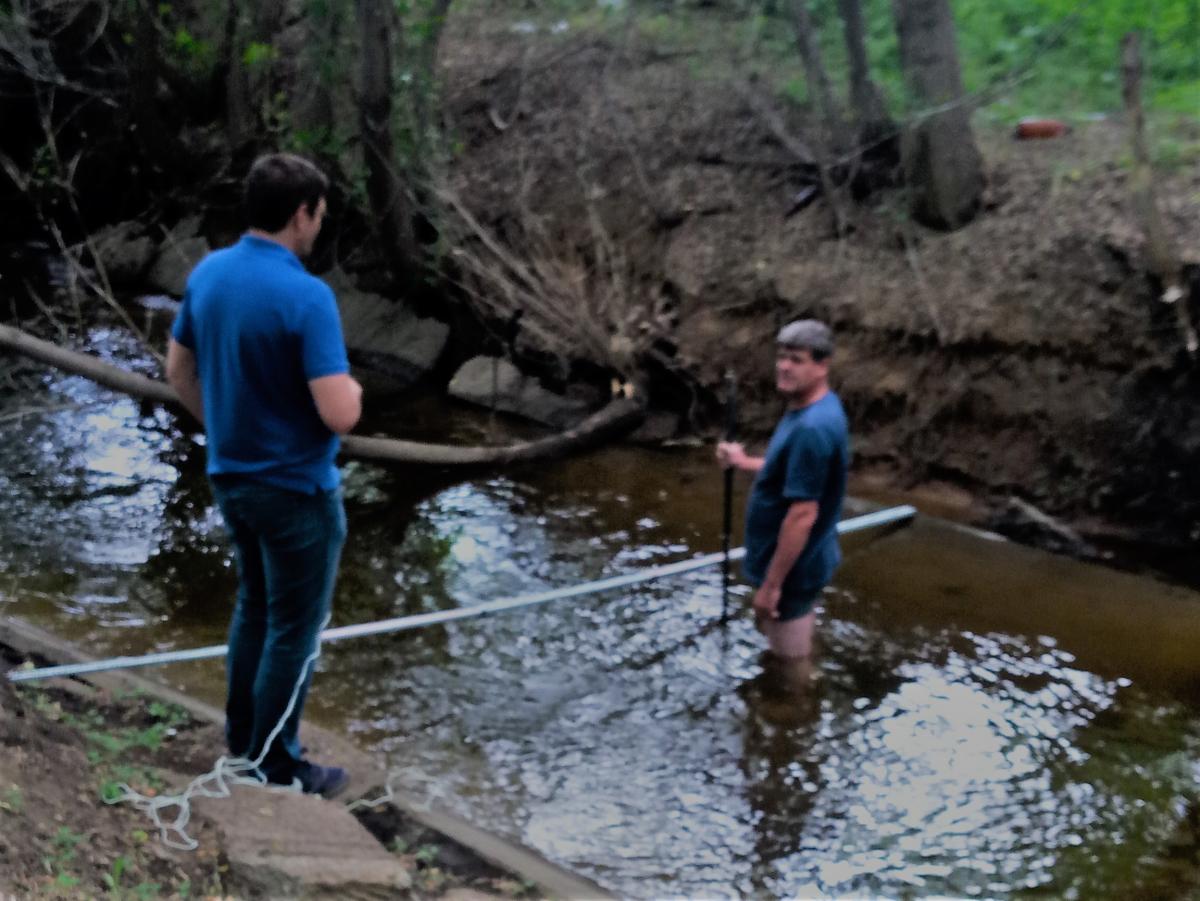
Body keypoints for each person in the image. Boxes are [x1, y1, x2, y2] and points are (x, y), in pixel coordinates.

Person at [165, 153, 362, 798]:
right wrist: (355, 392)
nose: (319, 228)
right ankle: (277, 764)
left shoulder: (210, 273)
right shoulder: (307, 295)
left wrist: (222, 428)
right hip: (298, 490)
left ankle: (243, 739)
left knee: (254, 608)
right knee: (294, 628)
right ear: (301, 213)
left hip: (232, 478)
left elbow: (179, 371)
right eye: (319, 216)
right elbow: (339, 413)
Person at [716, 319, 849, 671]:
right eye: (782, 356)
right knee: (796, 646)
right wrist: (745, 462)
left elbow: (802, 514)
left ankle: (794, 716)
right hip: (807, 561)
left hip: (793, 571)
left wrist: (772, 586)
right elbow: (792, 473)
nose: (784, 366)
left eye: (797, 359)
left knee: (789, 670)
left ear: (822, 366)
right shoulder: (813, 409)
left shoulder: (811, 427)